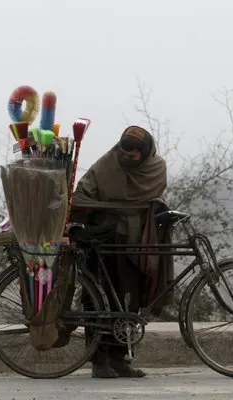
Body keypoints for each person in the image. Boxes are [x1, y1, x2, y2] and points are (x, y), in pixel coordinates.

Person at [69, 125, 172, 378]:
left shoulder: (156, 168)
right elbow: (82, 193)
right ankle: (98, 361)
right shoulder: (107, 164)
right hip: (104, 238)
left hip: (137, 240)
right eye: (123, 151)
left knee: (129, 300)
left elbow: (151, 200)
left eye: (133, 153)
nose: (126, 156)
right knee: (99, 297)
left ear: (145, 153)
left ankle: (119, 358)